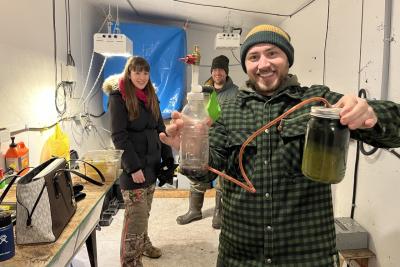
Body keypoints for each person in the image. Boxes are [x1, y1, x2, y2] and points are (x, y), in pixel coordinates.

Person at [160, 24, 400, 266]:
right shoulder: (227, 110)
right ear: (246, 65)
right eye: (254, 57)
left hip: (307, 256)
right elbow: (209, 171)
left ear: (288, 59)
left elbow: (395, 131)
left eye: (272, 53)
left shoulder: (319, 102)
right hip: (240, 256)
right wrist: (191, 149)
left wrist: (371, 113)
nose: (263, 64)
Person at [103, 56, 174, 267]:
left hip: (151, 166)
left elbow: (161, 129)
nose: (142, 77)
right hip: (133, 169)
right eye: (137, 72)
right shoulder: (119, 98)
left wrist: (168, 159)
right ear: (129, 73)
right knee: (135, 218)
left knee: (144, 214)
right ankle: (130, 261)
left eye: (145, 73)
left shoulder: (151, 95)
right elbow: (119, 136)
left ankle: (142, 244)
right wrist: (133, 167)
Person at [176, 55, 238, 229]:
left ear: (226, 72)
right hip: (202, 139)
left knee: (223, 178)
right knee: (197, 173)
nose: (218, 73)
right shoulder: (202, 91)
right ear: (211, 71)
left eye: (221, 70)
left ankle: (219, 213)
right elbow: (193, 112)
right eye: (215, 70)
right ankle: (194, 211)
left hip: (225, 140)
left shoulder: (235, 92)